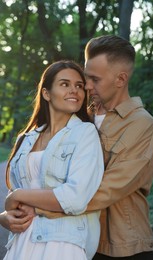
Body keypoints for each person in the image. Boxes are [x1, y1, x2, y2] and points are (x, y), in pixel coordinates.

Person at [0, 60, 104, 260]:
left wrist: (18, 196)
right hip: (21, 241)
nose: (74, 90)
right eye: (65, 84)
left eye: (79, 86)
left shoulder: (85, 133)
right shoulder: (26, 138)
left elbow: (75, 198)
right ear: (46, 93)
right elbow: (16, 194)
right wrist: (5, 218)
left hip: (62, 243)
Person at [84, 35, 153, 259]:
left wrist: (41, 207)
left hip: (123, 246)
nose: (87, 86)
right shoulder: (81, 116)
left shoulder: (142, 123)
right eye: (86, 77)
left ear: (121, 79)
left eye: (95, 79)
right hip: (81, 239)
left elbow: (108, 188)